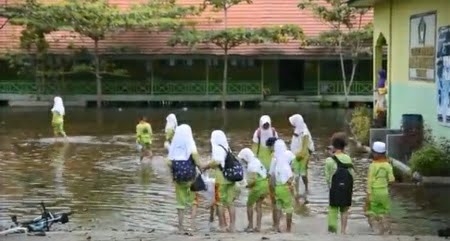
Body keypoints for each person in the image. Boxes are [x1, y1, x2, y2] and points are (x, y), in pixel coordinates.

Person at [167, 124, 204, 234]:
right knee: (193, 201)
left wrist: (173, 175)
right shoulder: (190, 143)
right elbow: (197, 161)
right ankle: (192, 224)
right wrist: (202, 168)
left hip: (178, 179)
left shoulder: (174, 145)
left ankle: (180, 226)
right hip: (191, 178)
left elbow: (168, 162)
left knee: (180, 203)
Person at [203, 130, 237, 232]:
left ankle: (222, 226)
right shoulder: (227, 148)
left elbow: (217, 162)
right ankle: (232, 226)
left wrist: (206, 166)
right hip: (231, 178)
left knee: (219, 203)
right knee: (230, 203)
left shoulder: (217, 149)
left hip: (221, 179)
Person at [324, 132, 354, 234]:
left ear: (333, 145)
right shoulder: (348, 158)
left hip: (334, 188)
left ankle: (332, 230)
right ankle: (343, 231)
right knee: (344, 210)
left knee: (333, 209)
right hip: (346, 188)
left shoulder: (329, 160)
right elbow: (352, 174)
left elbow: (327, 177)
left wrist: (330, 187)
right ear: (344, 146)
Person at [366, 141, 395, 235]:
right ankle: (387, 229)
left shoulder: (373, 166)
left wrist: (368, 193)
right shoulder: (388, 165)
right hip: (384, 192)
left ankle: (378, 231)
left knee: (373, 211)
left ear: (375, 153)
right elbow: (392, 179)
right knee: (385, 211)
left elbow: (369, 181)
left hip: (374, 192)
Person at [238, 148, 269, 232]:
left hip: (258, 186)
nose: (242, 161)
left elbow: (253, 180)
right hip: (265, 185)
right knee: (259, 206)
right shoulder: (257, 161)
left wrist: (246, 186)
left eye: (243, 159)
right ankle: (258, 227)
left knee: (249, 205)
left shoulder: (252, 165)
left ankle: (250, 225)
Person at [289, 114, 314, 203]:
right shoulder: (298, 129)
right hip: (296, 155)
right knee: (296, 174)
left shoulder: (304, 132)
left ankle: (305, 189)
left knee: (302, 174)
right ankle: (297, 191)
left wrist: (300, 156)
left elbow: (305, 146)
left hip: (302, 156)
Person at [273, 148, 296, 232]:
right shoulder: (287, 168)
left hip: (278, 188)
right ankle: (288, 228)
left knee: (278, 207)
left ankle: (276, 227)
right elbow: (290, 181)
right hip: (285, 189)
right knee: (289, 208)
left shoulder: (277, 167)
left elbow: (273, 178)